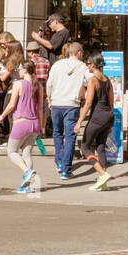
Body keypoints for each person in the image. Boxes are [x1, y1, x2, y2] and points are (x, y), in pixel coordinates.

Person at [46, 42, 88, 181]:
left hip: (57, 103)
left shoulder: (57, 65)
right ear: (79, 53)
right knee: (70, 136)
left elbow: (49, 83)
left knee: (57, 133)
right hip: (72, 105)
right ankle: (65, 170)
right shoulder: (83, 67)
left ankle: (59, 162)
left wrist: (50, 98)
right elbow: (88, 84)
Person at [76, 53, 117, 191]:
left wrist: (79, 122)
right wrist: (110, 122)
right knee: (100, 146)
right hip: (108, 117)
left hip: (97, 117)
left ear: (93, 65)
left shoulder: (93, 80)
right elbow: (112, 102)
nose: (87, 65)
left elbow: (88, 104)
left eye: (88, 63)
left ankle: (102, 173)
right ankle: (103, 182)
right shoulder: (108, 81)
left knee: (85, 147)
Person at [0, 63, 41, 194]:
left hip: (21, 122)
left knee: (11, 151)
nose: (17, 71)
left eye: (19, 69)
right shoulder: (38, 85)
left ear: (25, 70)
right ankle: (29, 185)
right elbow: (40, 109)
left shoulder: (19, 84)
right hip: (35, 123)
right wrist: (42, 128)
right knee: (27, 153)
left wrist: (2, 115)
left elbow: (11, 104)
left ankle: (27, 172)